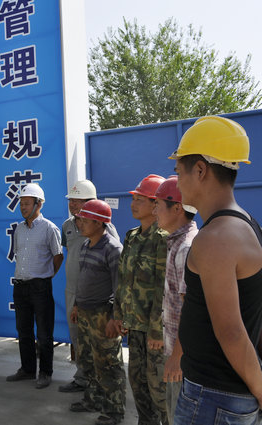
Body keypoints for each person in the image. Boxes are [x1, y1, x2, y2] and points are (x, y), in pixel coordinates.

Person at [169, 116, 262, 424]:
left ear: (200, 170)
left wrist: (261, 390)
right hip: (222, 397)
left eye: (178, 171)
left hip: (213, 400)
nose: (177, 182)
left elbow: (231, 332)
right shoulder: (245, 224)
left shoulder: (215, 238)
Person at [107, 173, 169, 425]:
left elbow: (163, 289)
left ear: (155, 205)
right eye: (134, 199)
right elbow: (123, 280)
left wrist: (156, 330)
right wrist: (119, 315)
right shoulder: (131, 236)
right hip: (134, 327)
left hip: (154, 332)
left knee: (160, 389)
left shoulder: (163, 239)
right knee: (138, 382)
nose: (133, 204)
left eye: (139, 200)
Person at [68, 200, 126, 425]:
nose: (80, 223)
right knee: (88, 360)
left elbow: (119, 287)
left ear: (99, 223)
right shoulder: (86, 245)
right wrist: (76, 305)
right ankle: (93, 400)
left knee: (109, 364)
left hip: (103, 315)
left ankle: (114, 411)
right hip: (84, 313)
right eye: (80, 219)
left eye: (85, 220)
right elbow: (82, 278)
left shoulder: (113, 249)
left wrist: (115, 318)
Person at [60, 180, 119, 393]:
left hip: (98, 297)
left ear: (90, 201)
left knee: (100, 343)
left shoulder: (105, 228)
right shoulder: (67, 226)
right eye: (71, 201)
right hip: (75, 293)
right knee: (78, 337)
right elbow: (68, 252)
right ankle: (82, 378)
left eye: (77, 201)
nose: (73, 205)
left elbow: (114, 265)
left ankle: (101, 386)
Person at [6, 183, 63, 389]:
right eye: (21, 203)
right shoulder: (19, 229)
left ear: (39, 204)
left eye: (27, 203)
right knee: (23, 330)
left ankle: (45, 372)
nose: (23, 207)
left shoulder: (49, 228)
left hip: (40, 287)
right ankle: (28, 369)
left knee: (44, 334)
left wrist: (46, 276)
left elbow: (58, 256)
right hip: (20, 287)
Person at [152, 176, 198, 424]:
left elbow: (191, 311)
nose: (154, 211)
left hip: (184, 359)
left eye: (158, 205)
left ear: (177, 208)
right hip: (176, 351)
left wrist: (177, 357)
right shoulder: (176, 242)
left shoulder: (185, 248)